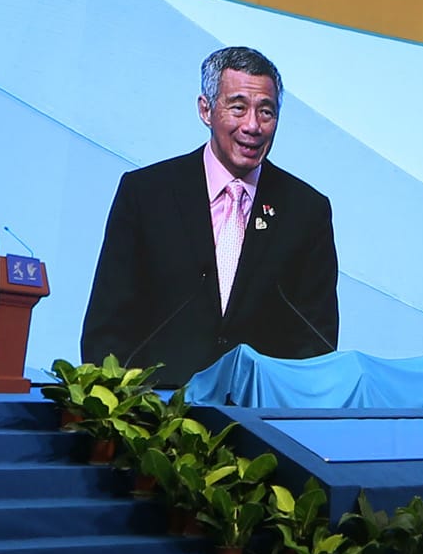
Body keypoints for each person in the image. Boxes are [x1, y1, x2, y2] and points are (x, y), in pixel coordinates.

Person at [82, 45, 339, 387]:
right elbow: (108, 326)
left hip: (258, 423)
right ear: (206, 110)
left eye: (266, 112)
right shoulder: (146, 193)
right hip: (156, 420)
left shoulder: (306, 210)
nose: (253, 126)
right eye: (238, 108)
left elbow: (316, 340)